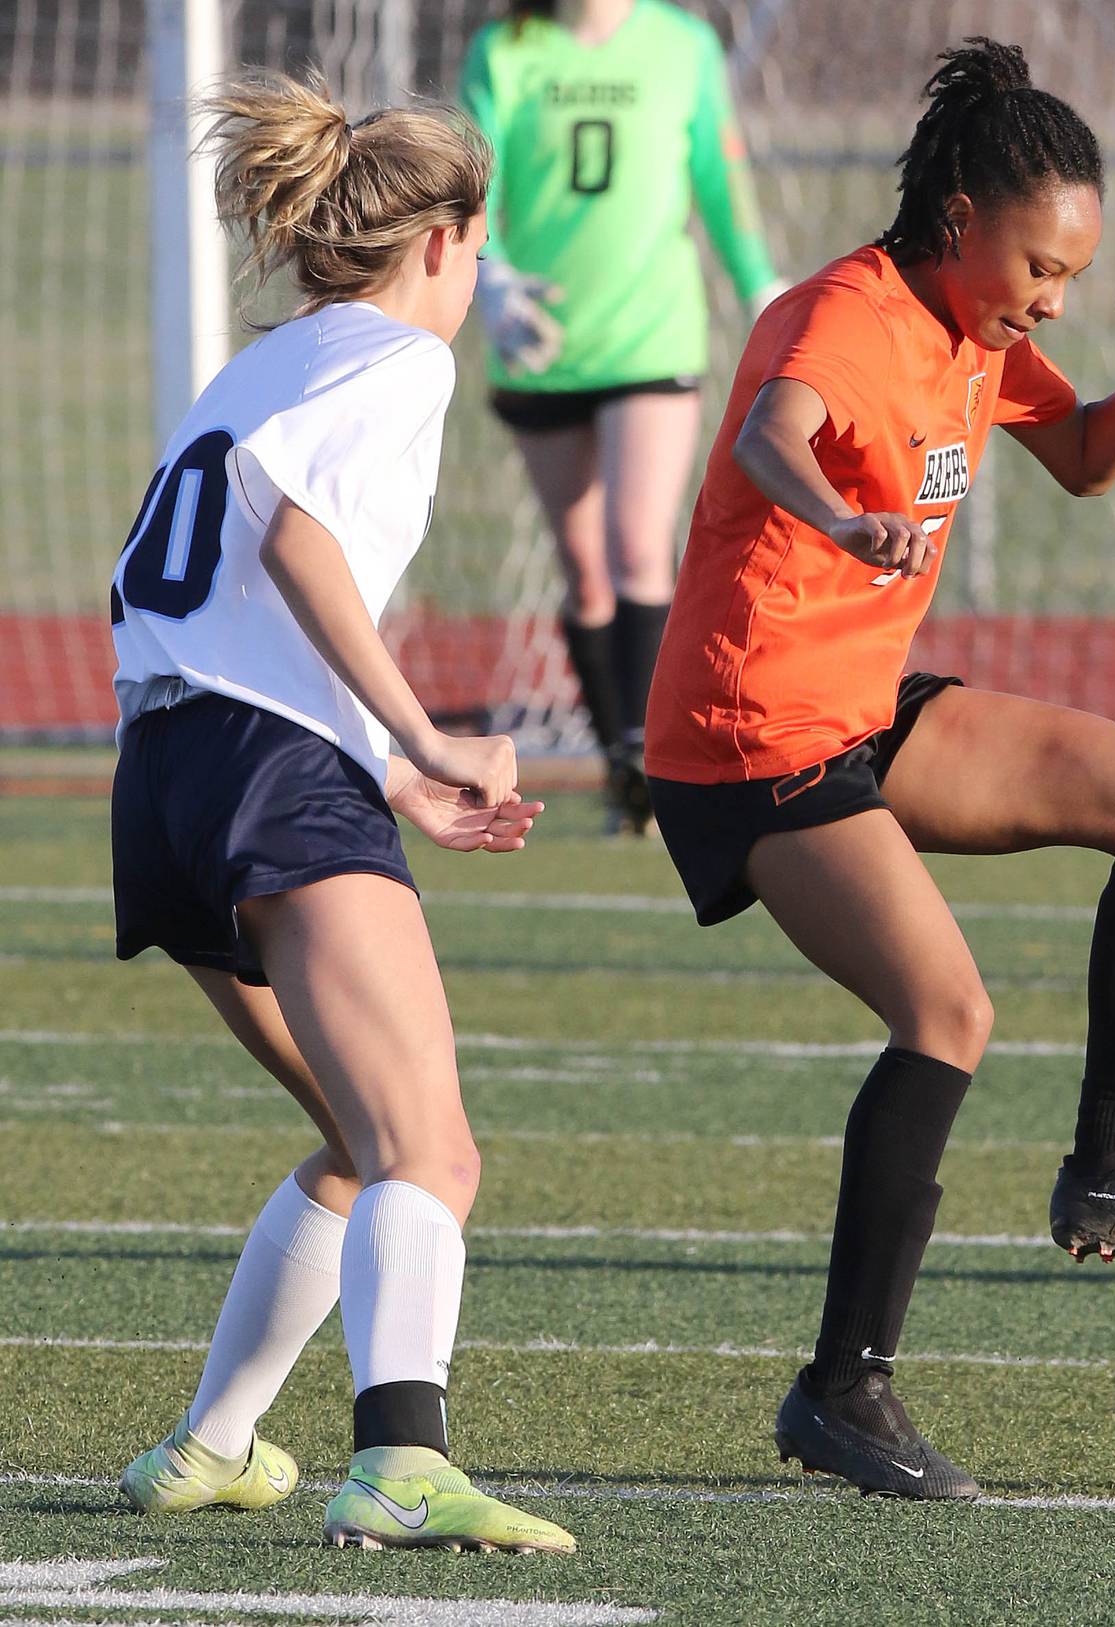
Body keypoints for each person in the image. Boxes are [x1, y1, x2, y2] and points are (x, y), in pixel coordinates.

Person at [643, 38, 1115, 1501]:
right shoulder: (846, 317)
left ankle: (1114, 1166)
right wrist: (840, 519)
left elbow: (1088, 462)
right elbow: (769, 430)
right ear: (959, 223)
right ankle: (841, 1385)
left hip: (858, 703)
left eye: (1071, 276)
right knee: (947, 1010)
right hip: (752, 731)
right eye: (1041, 269)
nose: (1052, 297)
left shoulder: (979, 337)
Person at [111, 69, 574, 1556]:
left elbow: (185, 606)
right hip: (263, 775)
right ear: (441, 239)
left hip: (164, 774)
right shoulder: (398, 362)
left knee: (360, 1142)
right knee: (432, 1151)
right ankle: (402, 1459)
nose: (484, 270)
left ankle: (211, 1441)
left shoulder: (264, 368)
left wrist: (380, 774)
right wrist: (430, 730)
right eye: (484, 242)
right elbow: (304, 542)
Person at [458, 0, 784, 833]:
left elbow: (719, 174)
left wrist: (761, 289)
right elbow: (467, 187)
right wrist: (486, 278)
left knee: (638, 544)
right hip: (542, 340)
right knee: (582, 566)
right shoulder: (505, 53)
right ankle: (619, 767)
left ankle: (652, 766)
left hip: (651, 337)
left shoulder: (680, 46)